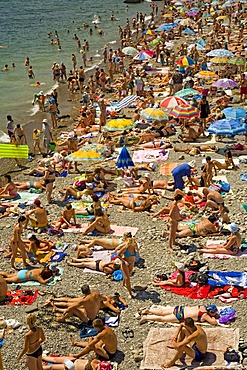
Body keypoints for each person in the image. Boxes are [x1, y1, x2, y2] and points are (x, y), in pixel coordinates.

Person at [138, 304, 219, 326]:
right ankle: (146, 317)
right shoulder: (205, 315)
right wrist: (213, 317)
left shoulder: (202, 307)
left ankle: (148, 310)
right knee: (162, 319)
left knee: (162, 312)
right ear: (210, 312)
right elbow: (214, 322)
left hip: (180, 308)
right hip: (180, 316)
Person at [114, 232, 139, 298]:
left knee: (127, 276)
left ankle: (123, 284)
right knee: (127, 278)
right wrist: (124, 261)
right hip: (125, 263)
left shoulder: (134, 244)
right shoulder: (125, 247)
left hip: (131, 262)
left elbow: (137, 250)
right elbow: (118, 255)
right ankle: (130, 293)